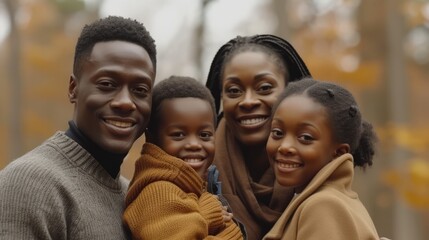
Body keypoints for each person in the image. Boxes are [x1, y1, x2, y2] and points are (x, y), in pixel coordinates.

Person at [0, 16, 157, 239]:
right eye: (107, 85)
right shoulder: (28, 184)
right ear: (74, 89)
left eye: (140, 90)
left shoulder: (135, 198)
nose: (125, 102)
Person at [205, 34, 311, 239]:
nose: (248, 101)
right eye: (234, 90)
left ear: (292, 91)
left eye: (264, 88)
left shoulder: (318, 173)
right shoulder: (193, 170)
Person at [123, 76, 243, 239]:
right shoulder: (158, 191)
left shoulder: (191, 187)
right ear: (152, 139)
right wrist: (211, 218)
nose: (194, 144)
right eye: (178, 135)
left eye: (204, 135)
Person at [264, 78, 379, 240]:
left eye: (305, 137)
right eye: (277, 133)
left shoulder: (322, 205)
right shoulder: (338, 200)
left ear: (338, 152)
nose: (285, 146)